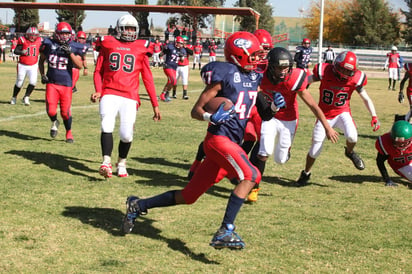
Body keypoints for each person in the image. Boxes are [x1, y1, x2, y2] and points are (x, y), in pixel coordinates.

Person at [121, 31, 281, 249]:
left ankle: (137, 205)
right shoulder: (224, 75)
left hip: (231, 142)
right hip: (218, 139)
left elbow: (264, 114)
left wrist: (272, 107)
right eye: (253, 55)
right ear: (238, 55)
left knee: (189, 195)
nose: (257, 59)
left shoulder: (253, 78)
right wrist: (210, 117)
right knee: (252, 174)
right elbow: (195, 110)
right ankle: (226, 230)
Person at [248, 47, 339, 200]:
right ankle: (254, 188)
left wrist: (328, 127)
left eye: (286, 67)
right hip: (270, 117)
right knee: (263, 153)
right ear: (270, 66)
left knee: (280, 159)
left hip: (288, 119)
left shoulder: (295, 78)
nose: (283, 71)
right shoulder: (261, 76)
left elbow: (313, 106)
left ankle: (287, 151)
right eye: (279, 67)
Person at [296, 51, 381, 186]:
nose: (345, 73)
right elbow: (306, 81)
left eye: (348, 71)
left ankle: (350, 152)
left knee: (353, 137)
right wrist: (299, 90)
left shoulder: (356, 78)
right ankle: (306, 173)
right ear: (336, 65)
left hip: (342, 112)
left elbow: (366, 98)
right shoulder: (325, 71)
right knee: (315, 149)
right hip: (323, 114)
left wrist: (374, 115)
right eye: (342, 69)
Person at [90, 14, 161, 178]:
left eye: (132, 29)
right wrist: (99, 89)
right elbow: (98, 71)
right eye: (126, 28)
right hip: (109, 92)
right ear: (118, 29)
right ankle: (106, 162)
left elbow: (148, 78)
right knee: (106, 125)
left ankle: (121, 162)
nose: (129, 32)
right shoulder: (107, 43)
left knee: (126, 134)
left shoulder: (142, 47)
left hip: (130, 95)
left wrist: (155, 105)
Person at [38, 22, 84, 143]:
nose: (64, 36)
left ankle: (69, 132)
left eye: (67, 33)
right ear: (57, 34)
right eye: (62, 33)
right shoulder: (48, 44)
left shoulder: (74, 46)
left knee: (65, 112)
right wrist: (42, 75)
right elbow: (41, 60)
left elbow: (79, 66)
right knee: (51, 111)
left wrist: (70, 53)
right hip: (52, 82)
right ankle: (54, 121)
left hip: (66, 83)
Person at [10, 27, 42, 106]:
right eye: (31, 35)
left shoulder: (39, 41)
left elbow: (43, 50)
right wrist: (21, 52)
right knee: (19, 82)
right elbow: (16, 51)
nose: (32, 37)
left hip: (33, 65)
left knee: (33, 82)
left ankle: (26, 97)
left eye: (34, 35)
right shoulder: (22, 40)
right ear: (27, 35)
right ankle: (14, 97)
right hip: (22, 64)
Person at [376, 120, 412, 187]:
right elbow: (380, 161)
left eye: (404, 143)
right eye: (397, 143)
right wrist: (387, 179)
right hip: (401, 166)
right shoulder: (386, 142)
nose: (400, 146)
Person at [159, 36, 186, 102]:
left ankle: (165, 94)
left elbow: (182, 61)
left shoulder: (182, 50)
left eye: (181, 43)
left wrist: (181, 57)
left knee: (172, 82)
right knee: (173, 80)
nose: (181, 45)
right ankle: (163, 94)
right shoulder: (170, 47)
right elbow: (161, 53)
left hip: (174, 67)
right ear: (176, 42)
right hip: (168, 65)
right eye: (180, 43)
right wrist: (161, 60)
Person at [172, 35, 193, 99]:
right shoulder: (176, 47)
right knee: (175, 80)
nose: (185, 42)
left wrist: (185, 47)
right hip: (177, 65)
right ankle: (174, 93)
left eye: (186, 41)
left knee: (185, 80)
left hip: (185, 66)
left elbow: (191, 52)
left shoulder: (187, 47)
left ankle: (184, 94)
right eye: (184, 41)